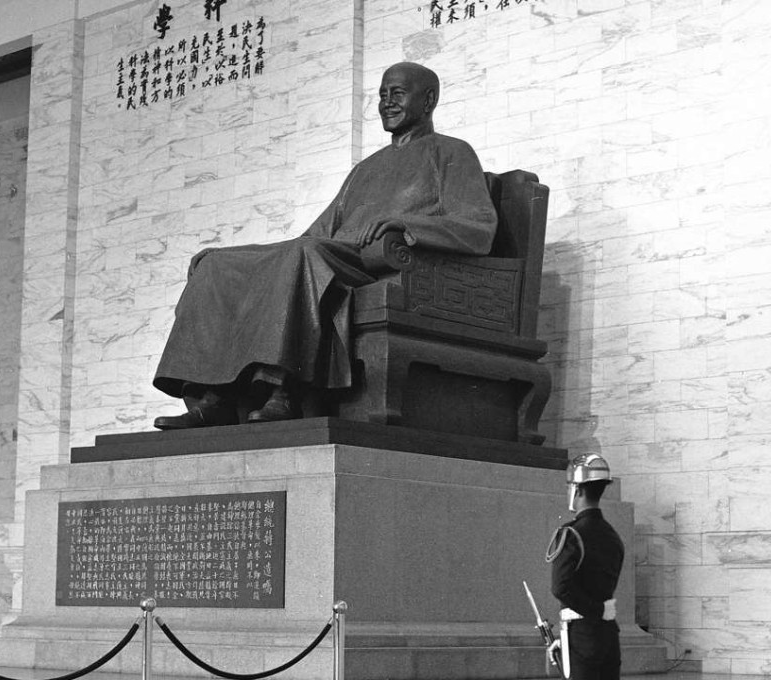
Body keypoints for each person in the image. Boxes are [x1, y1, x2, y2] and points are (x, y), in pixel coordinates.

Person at [152, 62, 498, 429]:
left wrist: (407, 224)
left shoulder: (451, 154)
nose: (387, 103)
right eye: (382, 95)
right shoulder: (366, 169)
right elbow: (314, 234)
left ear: (429, 100)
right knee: (218, 264)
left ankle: (282, 393)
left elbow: (479, 228)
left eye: (397, 93)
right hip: (329, 255)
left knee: (304, 256)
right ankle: (214, 397)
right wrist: (242, 255)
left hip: (378, 266)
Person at [546, 453, 625, 680]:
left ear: (577, 490)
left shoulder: (572, 534)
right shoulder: (613, 536)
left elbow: (560, 588)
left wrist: (593, 613)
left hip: (581, 638)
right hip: (608, 637)